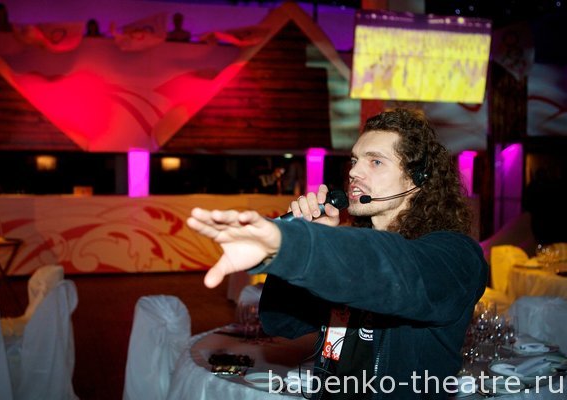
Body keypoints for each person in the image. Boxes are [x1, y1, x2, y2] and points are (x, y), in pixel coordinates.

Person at [187, 108, 488, 399]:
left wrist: (294, 243)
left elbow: (394, 269)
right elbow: (281, 323)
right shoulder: (353, 256)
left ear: (416, 179)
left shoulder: (456, 257)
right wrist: (312, 235)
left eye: (376, 162)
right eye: (355, 160)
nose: (354, 172)